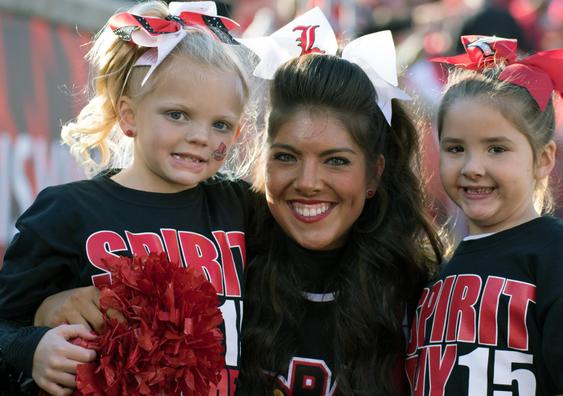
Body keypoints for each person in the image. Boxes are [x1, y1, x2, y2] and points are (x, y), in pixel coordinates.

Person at [0, 2, 255, 395]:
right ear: (129, 115)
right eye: (177, 115)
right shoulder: (67, 211)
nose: (201, 137)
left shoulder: (242, 208)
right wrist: (33, 348)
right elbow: (6, 323)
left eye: (219, 124)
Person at [406, 35, 563, 395]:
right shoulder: (438, 268)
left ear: (543, 159)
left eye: (496, 148)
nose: (473, 167)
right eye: (455, 148)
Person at [235, 11, 444, 394]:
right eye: (285, 156)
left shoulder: (420, 294)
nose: (308, 182)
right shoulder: (225, 258)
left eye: (336, 161)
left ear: (374, 173)